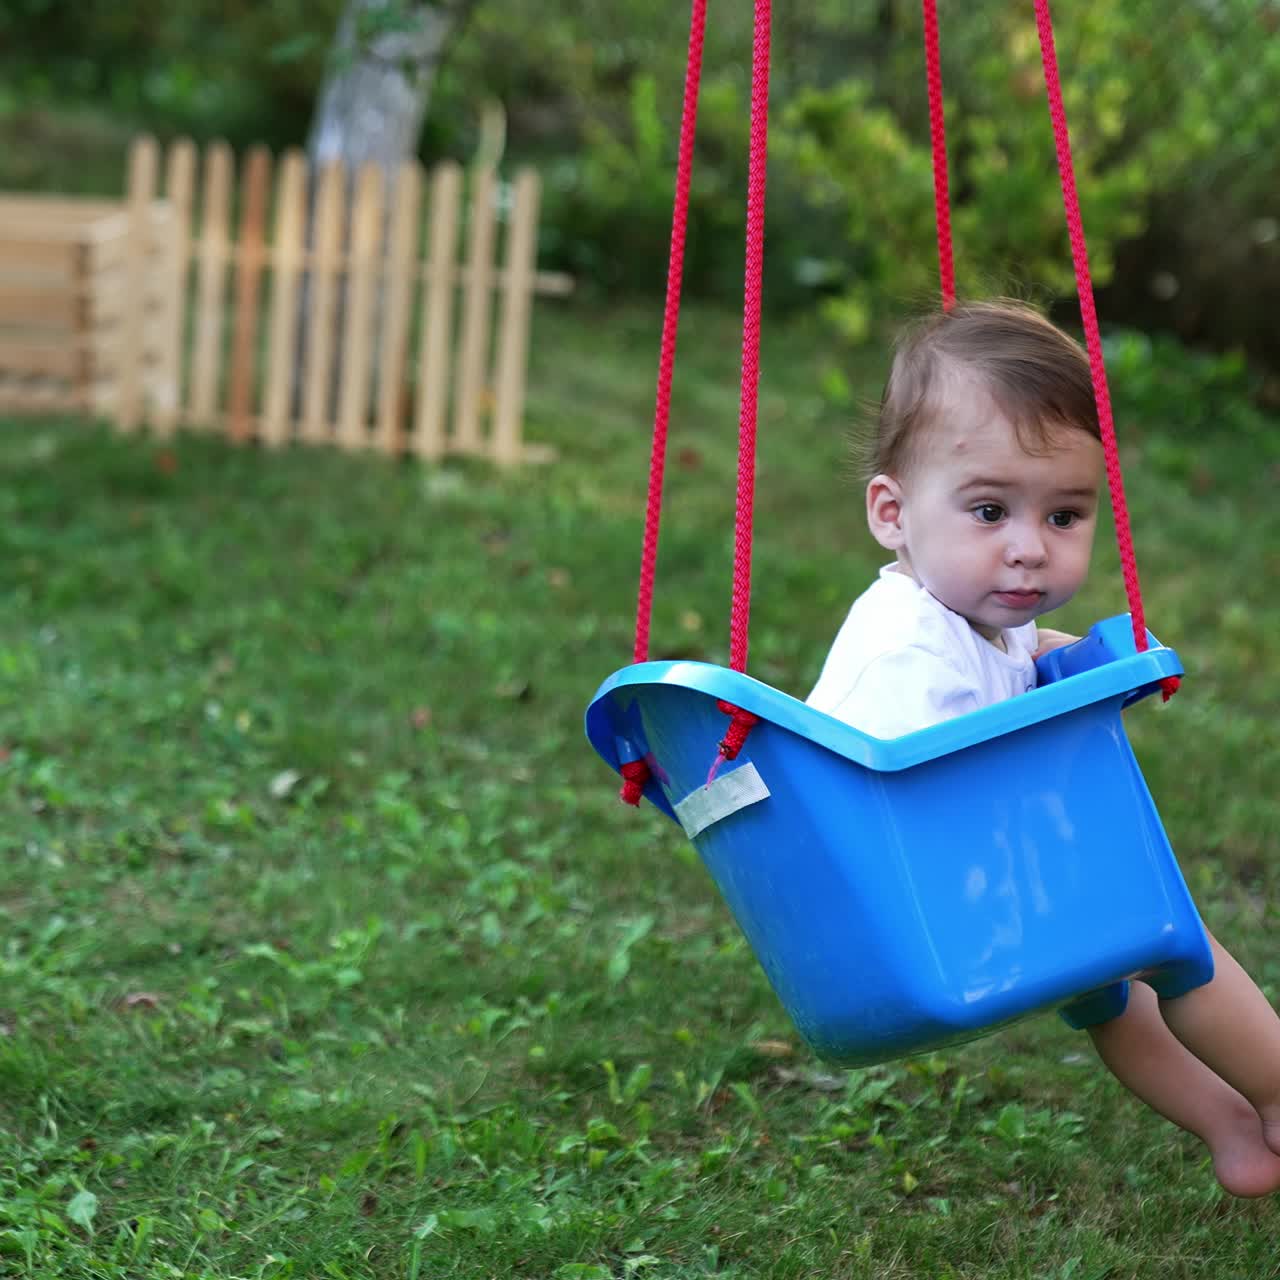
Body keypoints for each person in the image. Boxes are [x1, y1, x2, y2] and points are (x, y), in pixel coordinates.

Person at [807, 299, 1280, 1198]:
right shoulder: (902, 648)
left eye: (1065, 517)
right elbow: (901, 780)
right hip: (932, 909)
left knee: (1114, 992)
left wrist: (1085, 663)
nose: (1030, 551)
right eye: (990, 510)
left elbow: (1020, 667)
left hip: (981, 889)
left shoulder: (974, 612)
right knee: (1177, 940)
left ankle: (1232, 1130)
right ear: (891, 512)